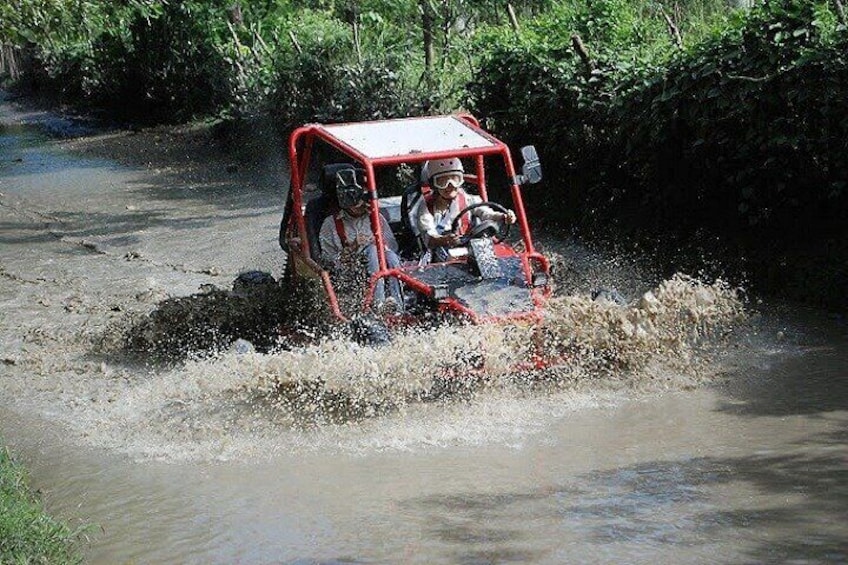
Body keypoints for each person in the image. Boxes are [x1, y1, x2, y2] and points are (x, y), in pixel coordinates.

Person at [318, 175, 403, 311]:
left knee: (391, 256)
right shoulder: (331, 224)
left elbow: (392, 246)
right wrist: (353, 248)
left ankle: (399, 307)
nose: (363, 205)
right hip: (350, 271)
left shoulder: (376, 218)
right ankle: (378, 305)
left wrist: (379, 244)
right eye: (358, 200)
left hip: (381, 266)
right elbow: (328, 261)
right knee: (371, 251)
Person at [412, 157, 516, 263]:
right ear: (434, 184)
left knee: (494, 258)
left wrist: (503, 216)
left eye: (455, 179)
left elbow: (486, 213)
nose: (450, 186)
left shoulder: (467, 199)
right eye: (443, 181)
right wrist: (445, 240)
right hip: (440, 251)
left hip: (469, 244)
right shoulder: (427, 207)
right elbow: (428, 236)